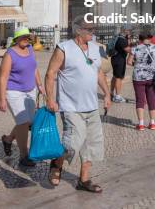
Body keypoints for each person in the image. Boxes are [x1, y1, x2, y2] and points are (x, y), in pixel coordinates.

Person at [45, 18, 111, 193]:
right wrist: (50, 99)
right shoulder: (64, 48)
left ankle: (84, 180)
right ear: (78, 30)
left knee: (91, 144)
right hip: (71, 106)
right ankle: (56, 164)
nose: (92, 32)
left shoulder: (96, 48)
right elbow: (50, 73)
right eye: (89, 29)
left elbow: (98, 72)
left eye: (93, 29)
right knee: (72, 142)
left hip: (91, 106)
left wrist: (107, 93)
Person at [0, 27, 44, 167]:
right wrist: (2, 100)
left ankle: (8, 139)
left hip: (30, 90)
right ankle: (24, 156)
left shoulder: (30, 49)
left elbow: (34, 68)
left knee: (27, 121)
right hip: (14, 92)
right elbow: (3, 78)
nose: (25, 39)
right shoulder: (9, 54)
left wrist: (40, 85)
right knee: (23, 122)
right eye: (22, 37)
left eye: (27, 37)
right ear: (16, 38)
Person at [127, 32, 155, 131]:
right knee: (151, 99)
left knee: (140, 100)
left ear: (140, 39)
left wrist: (138, 65)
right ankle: (152, 123)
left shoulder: (135, 48)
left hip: (138, 77)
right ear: (150, 38)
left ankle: (141, 124)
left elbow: (129, 62)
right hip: (151, 77)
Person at [110, 28, 131, 103]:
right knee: (119, 77)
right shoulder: (121, 40)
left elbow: (127, 45)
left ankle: (111, 93)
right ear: (125, 31)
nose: (129, 32)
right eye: (128, 31)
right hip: (119, 60)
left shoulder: (118, 38)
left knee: (115, 76)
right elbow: (128, 49)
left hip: (115, 59)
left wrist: (128, 38)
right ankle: (117, 96)